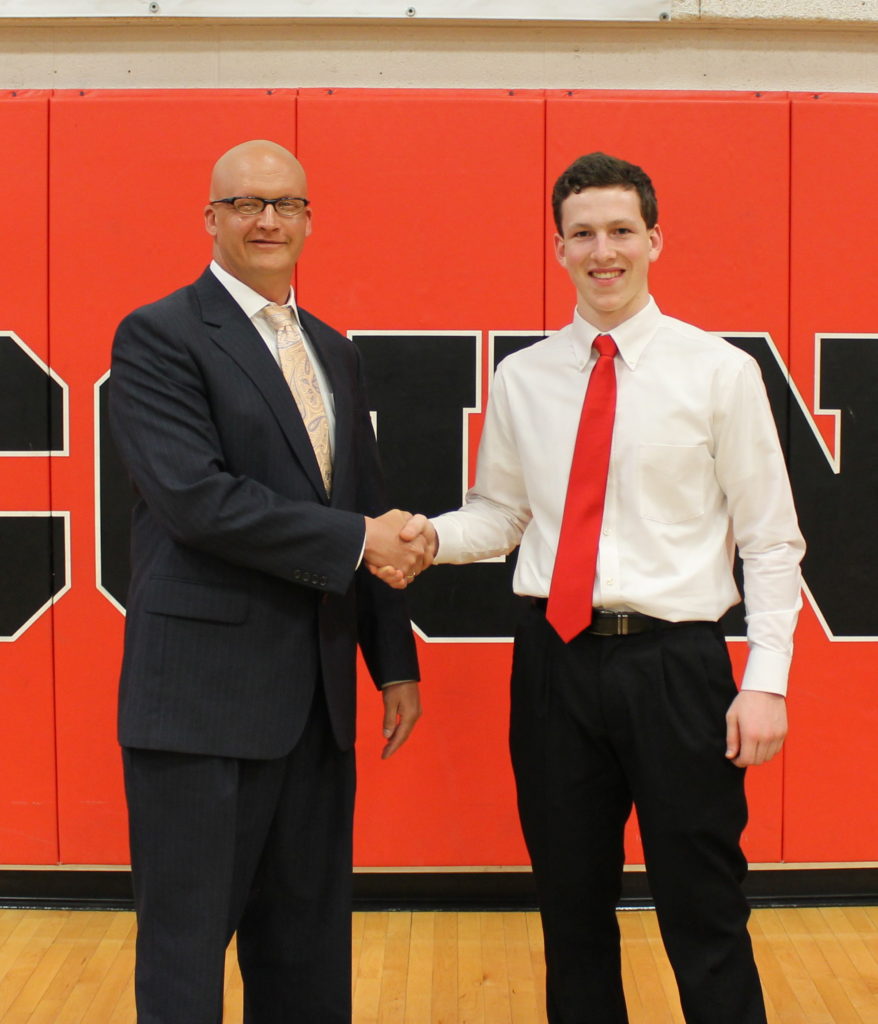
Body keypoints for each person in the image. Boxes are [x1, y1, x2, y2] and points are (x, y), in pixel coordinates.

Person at [383, 153, 804, 1023]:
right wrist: (428, 538)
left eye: (620, 231)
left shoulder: (719, 373)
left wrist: (766, 681)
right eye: (583, 234)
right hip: (553, 666)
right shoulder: (522, 377)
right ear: (559, 247)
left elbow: (770, 540)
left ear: (655, 239)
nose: (602, 250)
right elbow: (499, 517)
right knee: (570, 911)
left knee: (705, 908)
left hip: (676, 667)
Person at [109, 139, 428, 1024]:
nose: (267, 221)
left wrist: (391, 658)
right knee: (185, 958)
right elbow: (197, 500)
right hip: (202, 708)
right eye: (246, 205)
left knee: (307, 954)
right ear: (210, 220)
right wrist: (364, 539)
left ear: (310, 219)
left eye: (285, 204)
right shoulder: (159, 335)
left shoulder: (333, 347)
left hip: (318, 706)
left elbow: (363, 500)